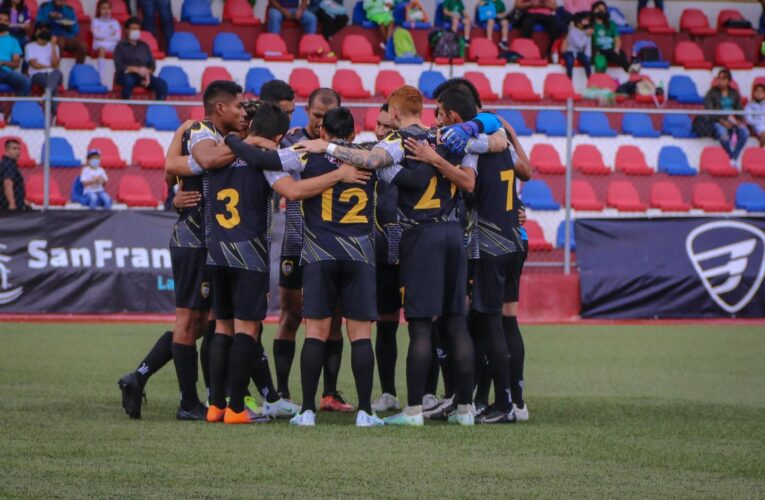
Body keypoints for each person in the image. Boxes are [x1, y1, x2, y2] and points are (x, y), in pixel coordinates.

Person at [296, 86, 479, 426]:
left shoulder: (397, 142)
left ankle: (412, 412)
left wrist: (329, 146)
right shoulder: (453, 137)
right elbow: (482, 161)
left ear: (394, 114)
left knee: (421, 327)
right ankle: (466, 410)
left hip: (420, 234)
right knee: (456, 322)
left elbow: (368, 162)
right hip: (453, 233)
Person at [222, 106, 377, 426]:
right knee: (360, 334)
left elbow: (266, 161)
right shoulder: (369, 155)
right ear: (353, 134)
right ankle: (365, 411)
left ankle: (306, 410)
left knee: (315, 332)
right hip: (360, 254)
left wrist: (236, 141)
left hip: (319, 253)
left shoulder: (305, 154)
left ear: (322, 132)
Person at [274, 88, 353, 414]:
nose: (321, 123)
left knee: (333, 319)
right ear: (307, 111)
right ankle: (281, 393)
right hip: (296, 240)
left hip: (330, 245)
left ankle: (329, 393)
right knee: (291, 316)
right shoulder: (291, 144)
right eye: (316, 116)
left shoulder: (347, 150)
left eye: (326, 117)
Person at [369, 103, 402, 413]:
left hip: (417, 250)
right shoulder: (370, 157)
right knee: (386, 324)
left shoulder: (417, 152)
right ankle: (388, 392)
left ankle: (429, 394)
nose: (379, 131)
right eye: (376, 125)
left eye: (385, 126)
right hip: (383, 253)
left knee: (427, 325)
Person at [113, 17, 167, 100]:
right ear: (127, 30)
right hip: (126, 75)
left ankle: (158, 109)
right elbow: (119, 66)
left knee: (162, 85)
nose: (136, 31)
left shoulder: (144, 46)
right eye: (133, 29)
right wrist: (136, 69)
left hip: (144, 76)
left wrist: (147, 74)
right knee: (128, 81)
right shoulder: (120, 46)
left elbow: (152, 65)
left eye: (138, 29)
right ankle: (126, 108)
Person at [704, 69, 749, 167]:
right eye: (719, 78)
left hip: (733, 120)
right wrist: (722, 121)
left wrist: (737, 121)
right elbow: (709, 111)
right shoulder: (711, 93)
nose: (720, 81)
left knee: (745, 133)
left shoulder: (734, 93)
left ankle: (733, 158)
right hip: (717, 120)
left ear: (729, 81)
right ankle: (732, 157)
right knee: (722, 134)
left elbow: (739, 109)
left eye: (723, 78)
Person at [24, 27, 62, 110]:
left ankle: (46, 95)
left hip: (53, 73)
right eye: (41, 30)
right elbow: (35, 65)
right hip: (37, 74)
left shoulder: (54, 46)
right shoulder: (30, 46)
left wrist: (53, 46)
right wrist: (48, 66)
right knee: (53, 86)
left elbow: (55, 65)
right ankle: (53, 113)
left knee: (56, 72)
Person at [590, 0, 628, 72]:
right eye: (598, 9)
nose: (600, 11)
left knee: (621, 53)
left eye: (602, 9)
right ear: (593, 10)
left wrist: (616, 49)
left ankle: (630, 70)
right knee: (601, 61)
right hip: (597, 51)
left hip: (611, 51)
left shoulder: (611, 24)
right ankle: (629, 68)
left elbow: (617, 38)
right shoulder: (589, 24)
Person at [0, 9, 30, 95]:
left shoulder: (13, 41)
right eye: (0, 20)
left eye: (5, 21)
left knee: (26, 82)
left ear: (8, 24)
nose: (2, 22)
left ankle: (19, 108)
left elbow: (16, 64)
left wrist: (2, 62)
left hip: (5, 72)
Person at [91, 0, 121, 83]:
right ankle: (101, 77)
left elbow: (118, 37)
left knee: (122, 48)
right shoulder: (95, 21)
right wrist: (111, 35)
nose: (106, 11)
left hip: (112, 44)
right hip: (99, 44)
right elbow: (96, 35)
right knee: (102, 49)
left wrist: (103, 36)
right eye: (103, 8)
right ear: (99, 10)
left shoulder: (115, 22)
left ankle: (120, 74)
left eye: (108, 8)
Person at [561, 11, 592, 79]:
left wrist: (588, 57)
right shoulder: (572, 31)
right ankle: (569, 80)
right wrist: (586, 35)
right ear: (577, 23)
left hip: (579, 53)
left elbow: (588, 47)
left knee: (587, 60)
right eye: (582, 21)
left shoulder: (586, 31)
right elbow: (579, 44)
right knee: (569, 61)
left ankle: (590, 80)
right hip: (569, 51)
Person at [0, 138, 26, 211]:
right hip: (7, 206)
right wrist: (12, 204)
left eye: (19, 149)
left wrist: (23, 201)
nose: (17, 152)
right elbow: (8, 184)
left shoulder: (8, 164)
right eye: (14, 149)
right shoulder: (9, 164)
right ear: (7, 150)